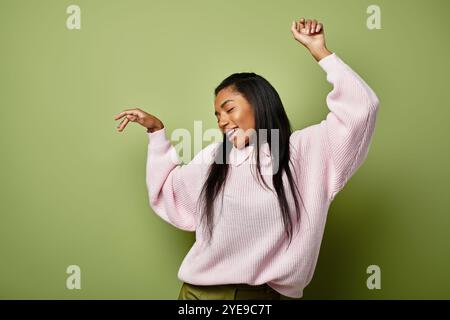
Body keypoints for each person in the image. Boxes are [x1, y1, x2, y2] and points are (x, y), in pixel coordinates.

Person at [114, 17, 380, 300]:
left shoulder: (304, 152)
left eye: (229, 109)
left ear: (259, 104)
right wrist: (156, 133)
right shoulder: (215, 159)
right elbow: (170, 193)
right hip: (199, 295)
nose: (222, 121)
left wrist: (321, 53)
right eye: (217, 115)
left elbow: (362, 108)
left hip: (264, 298)